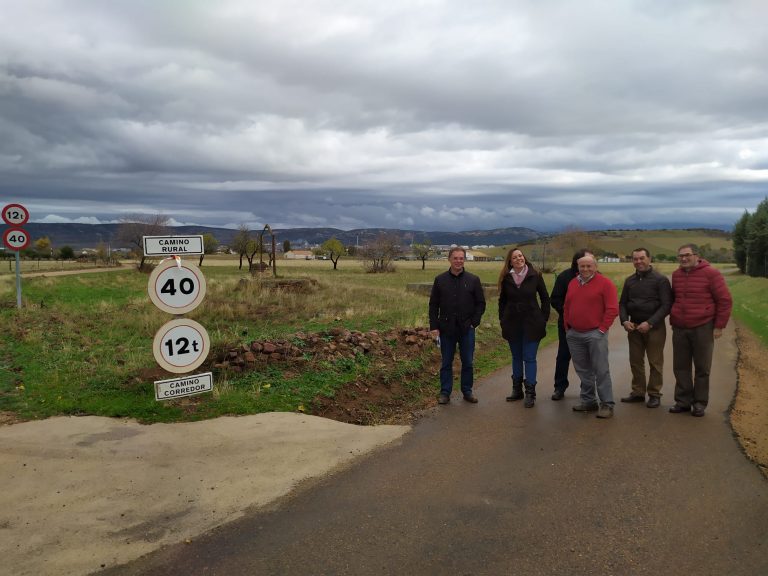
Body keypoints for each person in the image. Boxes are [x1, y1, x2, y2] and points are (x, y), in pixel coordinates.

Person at [669, 244, 732, 417]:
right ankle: (683, 401)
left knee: (702, 367)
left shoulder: (711, 273)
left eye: (687, 255)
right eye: (680, 256)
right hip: (680, 328)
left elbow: (725, 300)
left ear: (697, 256)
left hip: (703, 327)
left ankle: (699, 403)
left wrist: (719, 326)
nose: (683, 258)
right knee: (680, 367)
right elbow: (675, 299)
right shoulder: (676, 275)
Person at [564, 254, 619, 419]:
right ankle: (588, 401)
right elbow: (567, 305)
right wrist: (567, 327)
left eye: (589, 266)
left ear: (595, 267)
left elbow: (612, 309)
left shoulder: (606, 283)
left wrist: (601, 330)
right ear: (578, 267)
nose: (585, 269)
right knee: (583, 370)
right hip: (574, 334)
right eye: (582, 266)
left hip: (595, 333)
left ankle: (607, 404)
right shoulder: (573, 283)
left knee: (601, 370)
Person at [429, 247, 486, 405]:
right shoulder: (440, 280)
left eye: (461, 258)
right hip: (446, 328)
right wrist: (434, 326)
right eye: (455, 258)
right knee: (446, 362)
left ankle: (467, 391)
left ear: (464, 260)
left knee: (467, 362)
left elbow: (481, 304)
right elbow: (433, 305)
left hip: (467, 329)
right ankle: (445, 392)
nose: (458, 261)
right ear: (449, 259)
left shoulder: (473, 280)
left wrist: (474, 322)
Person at [619, 248, 672, 408]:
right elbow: (622, 303)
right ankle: (638, 392)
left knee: (655, 362)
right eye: (635, 259)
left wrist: (650, 322)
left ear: (649, 259)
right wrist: (624, 321)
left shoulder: (660, 280)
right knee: (635, 361)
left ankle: (654, 394)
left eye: (642, 258)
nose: (638, 262)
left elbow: (666, 305)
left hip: (654, 327)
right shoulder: (629, 281)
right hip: (634, 327)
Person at [497, 248, 551, 407]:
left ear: (524, 257)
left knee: (529, 357)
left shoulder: (535, 275)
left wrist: (543, 319)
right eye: (514, 257)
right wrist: (502, 319)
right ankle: (517, 390)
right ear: (510, 261)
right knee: (516, 357)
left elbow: (545, 298)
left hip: (532, 323)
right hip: (512, 323)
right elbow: (502, 301)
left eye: (520, 256)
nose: (518, 258)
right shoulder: (506, 278)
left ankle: (530, 393)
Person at [549, 249, 593, 400]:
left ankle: (586, 388)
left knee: (587, 358)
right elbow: (555, 299)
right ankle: (559, 387)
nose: (587, 265)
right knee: (563, 356)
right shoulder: (564, 277)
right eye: (586, 260)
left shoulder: (596, 277)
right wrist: (569, 313)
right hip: (567, 325)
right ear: (577, 261)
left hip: (589, 326)